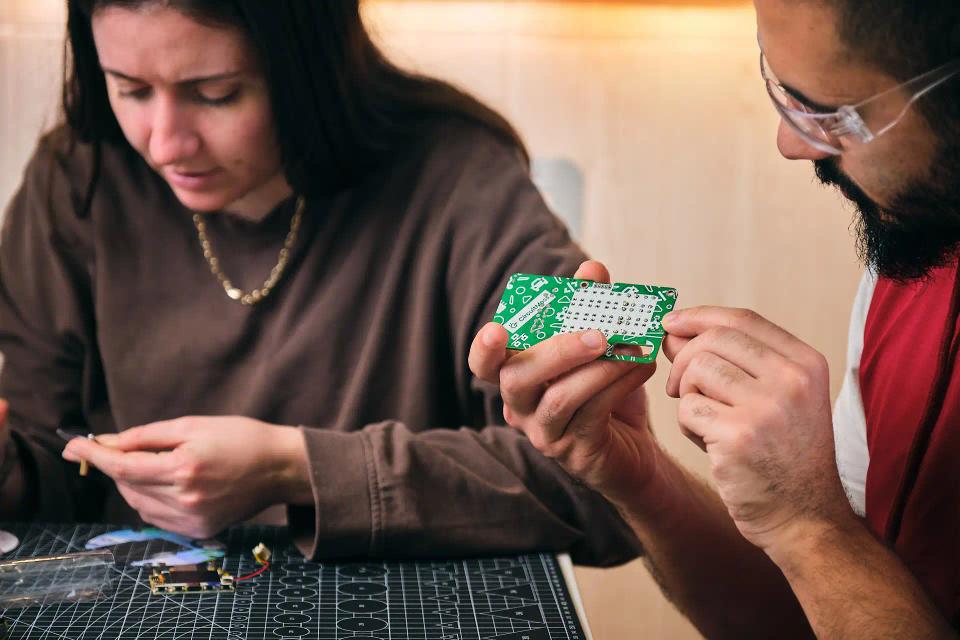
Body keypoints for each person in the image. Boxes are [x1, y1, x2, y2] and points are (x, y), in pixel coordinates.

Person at [0, 0, 641, 565]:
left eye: (217, 93)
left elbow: (610, 488)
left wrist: (298, 468)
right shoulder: (75, 178)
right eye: (130, 90)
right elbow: (50, 461)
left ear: (311, 68)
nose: (166, 144)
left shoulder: (464, 174)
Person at [470, 0, 960, 636]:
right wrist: (636, 475)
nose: (790, 142)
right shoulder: (913, 256)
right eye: (782, 91)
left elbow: (828, 555)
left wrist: (810, 528)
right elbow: (817, 616)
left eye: (829, 113)